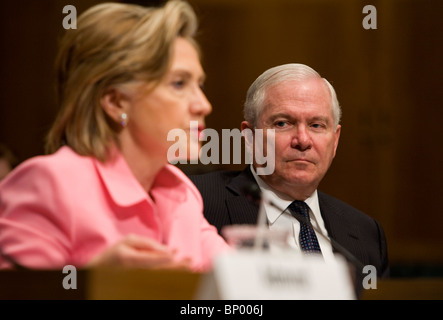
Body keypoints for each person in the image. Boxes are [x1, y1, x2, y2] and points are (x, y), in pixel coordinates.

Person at [0, 0, 229, 271]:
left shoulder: (181, 190)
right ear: (116, 102)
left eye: (199, 84)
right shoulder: (48, 182)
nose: (203, 105)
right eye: (179, 83)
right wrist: (98, 279)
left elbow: (240, 278)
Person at [189, 63, 389, 291]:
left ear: (335, 141)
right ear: (249, 137)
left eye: (316, 125)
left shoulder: (366, 234)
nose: (303, 140)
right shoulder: (195, 202)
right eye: (283, 123)